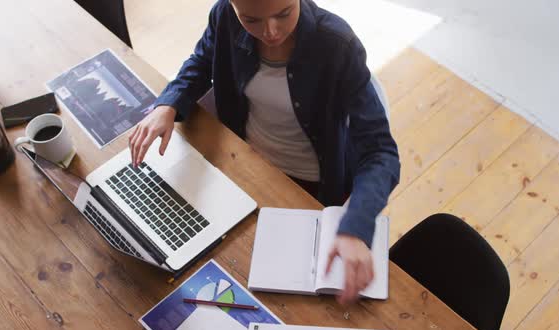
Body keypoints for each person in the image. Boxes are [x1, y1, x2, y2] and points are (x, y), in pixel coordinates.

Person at [128, 0, 400, 305]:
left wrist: (355, 227)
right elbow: (203, 61)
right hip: (243, 165)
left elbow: (380, 153)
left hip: (313, 188)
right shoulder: (224, 16)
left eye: (284, 13)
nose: (270, 32)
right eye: (251, 20)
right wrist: (169, 103)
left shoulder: (337, 45)